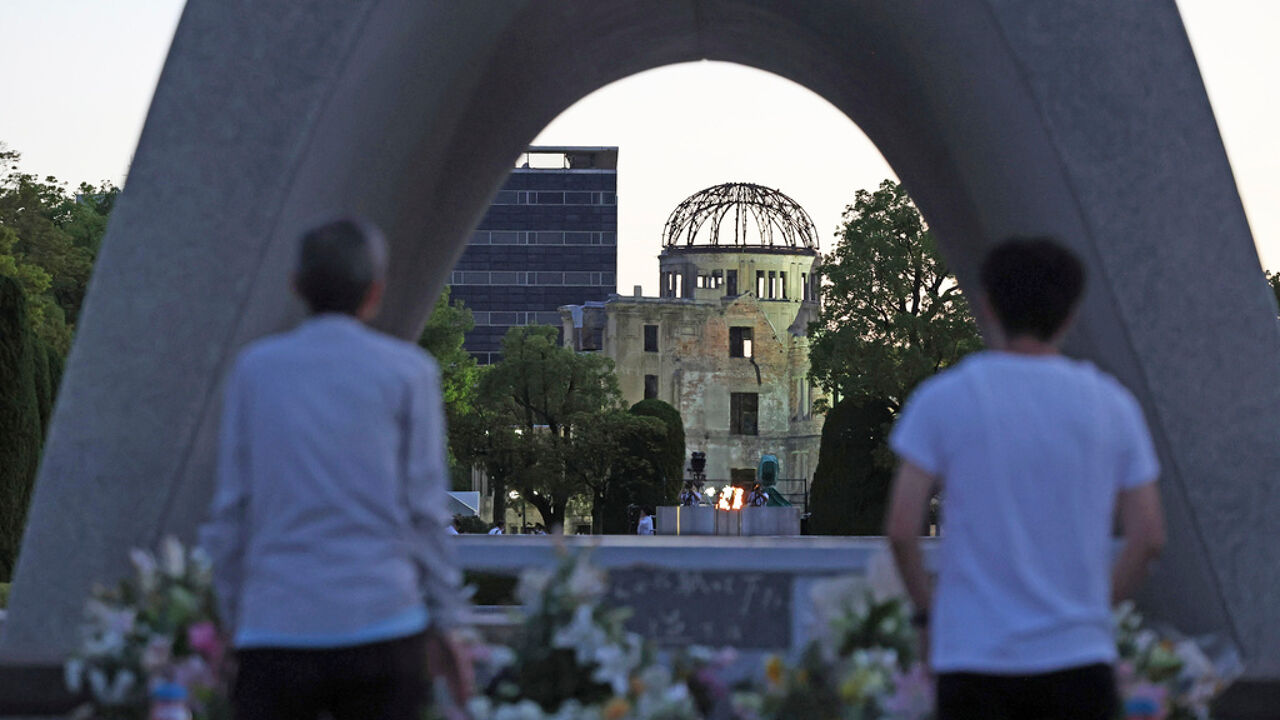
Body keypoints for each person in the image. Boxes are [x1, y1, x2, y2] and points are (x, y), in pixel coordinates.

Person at [200, 219, 472, 720]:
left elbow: (233, 510)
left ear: (296, 286)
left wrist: (229, 620)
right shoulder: (409, 373)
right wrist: (449, 623)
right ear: (375, 292)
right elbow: (425, 512)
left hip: (275, 627)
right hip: (384, 621)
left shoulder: (255, 370)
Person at [884, 237, 1166, 720]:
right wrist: (1093, 610)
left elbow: (901, 528)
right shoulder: (1112, 404)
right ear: (1071, 313)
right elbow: (1149, 536)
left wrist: (929, 615)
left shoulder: (945, 398)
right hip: (1078, 659)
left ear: (988, 305)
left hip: (973, 656)